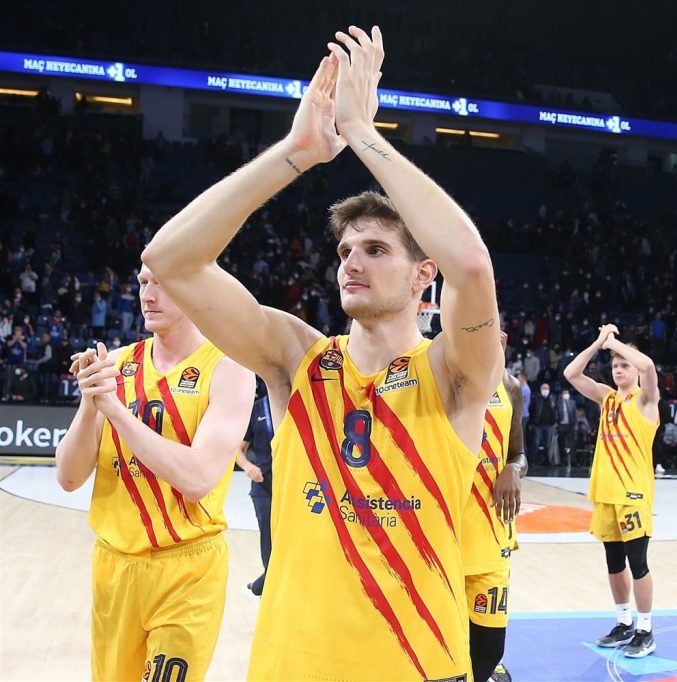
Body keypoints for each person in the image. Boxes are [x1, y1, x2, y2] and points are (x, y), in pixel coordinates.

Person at [142, 26, 503, 680]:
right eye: (344, 252)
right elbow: (169, 261)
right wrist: (297, 150)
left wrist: (363, 132)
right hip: (291, 665)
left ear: (424, 276)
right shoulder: (296, 356)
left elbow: (473, 266)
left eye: (376, 250)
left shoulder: (453, 371)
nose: (352, 263)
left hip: (419, 666)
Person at [54, 265, 255, 681]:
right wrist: (90, 402)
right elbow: (69, 478)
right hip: (115, 566)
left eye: (161, 281)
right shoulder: (119, 364)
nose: (148, 293)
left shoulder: (229, 369)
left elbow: (199, 479)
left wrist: (114, 410)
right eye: (144, 281)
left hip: (187, 569)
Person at [563, 324, 660, 658]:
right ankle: (624, 622)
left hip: (633, 494)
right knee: (614, 562)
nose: (619, 370)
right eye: (615, 365)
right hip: (606, 493)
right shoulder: (606, 398)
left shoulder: (646, 400)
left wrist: (615, 342)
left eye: (624, 366)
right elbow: (571, 373)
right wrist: (598, 343)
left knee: (638, 563)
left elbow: (648, 366)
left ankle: (646, 629)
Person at [463, 334, 527, 682]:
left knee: (489, 649)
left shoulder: (510, 386)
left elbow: (518, 451)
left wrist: (513, 468)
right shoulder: (443, 377)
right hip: (445, 537)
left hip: (492, 533)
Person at [235, 376, 274, 596]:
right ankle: (268, 586)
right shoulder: (257, 408)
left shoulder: (296, 405)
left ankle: (264, 584)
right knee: (268, 538)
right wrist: (248, 466)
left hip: (292, 485)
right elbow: (237, 449)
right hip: (263, 487)